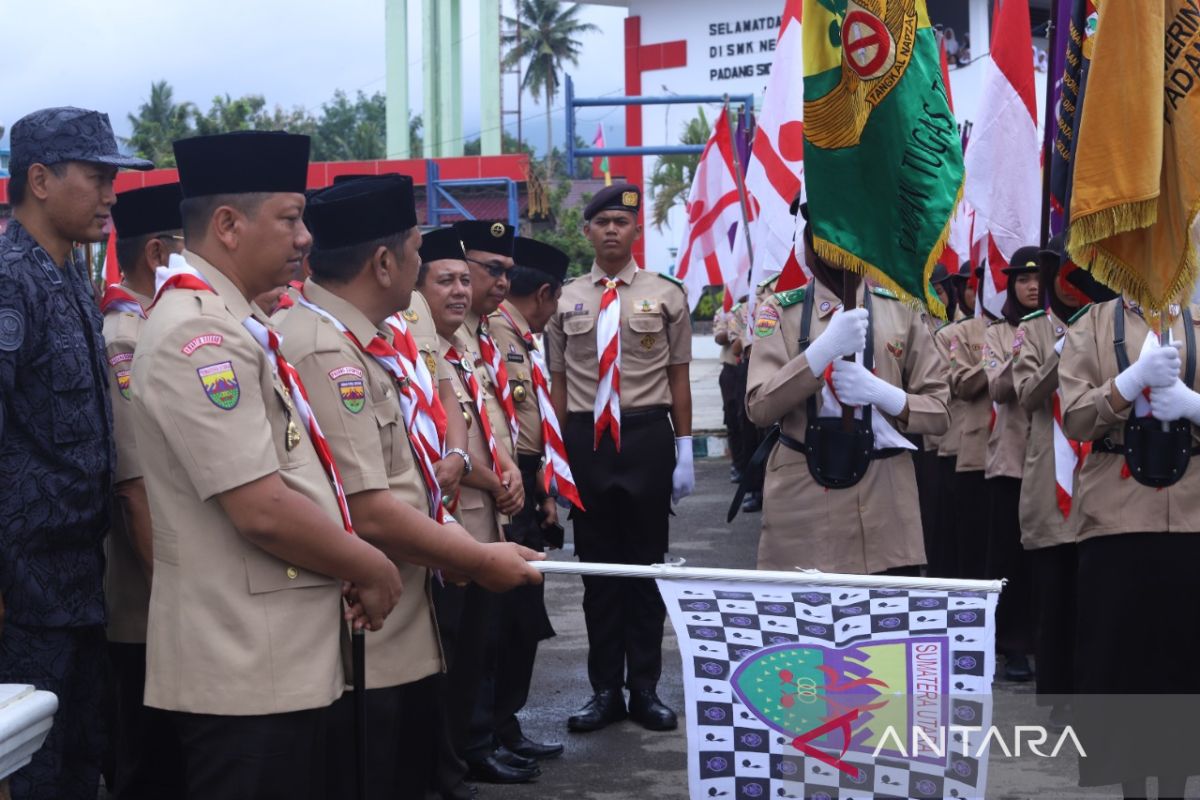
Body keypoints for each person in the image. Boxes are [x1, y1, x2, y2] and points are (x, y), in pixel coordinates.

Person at [129, 130, 403, 800]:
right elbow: (260, 509)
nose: (306, 236)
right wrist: (368, 563)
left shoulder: (234, 320)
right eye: (289, 217)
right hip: (246, 671)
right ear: (227, 224)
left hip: (276, 659)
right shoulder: (200, 335)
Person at [277, 176, 544, 799]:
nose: (426, 268)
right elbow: (369, 510)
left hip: (396, 631)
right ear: (384, 261)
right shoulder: (324, 352)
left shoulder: (361, 344)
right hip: (365, 645)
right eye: (420, 253)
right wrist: (479, 559)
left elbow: (408, 480)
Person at [0, 106, 153, 800]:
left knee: (80, 764)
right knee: (31, 772)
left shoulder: (67, 279)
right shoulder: (10, 281)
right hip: (22, 593)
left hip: (77, 585)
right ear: (39, 178)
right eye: (96, 178)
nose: (110, 195)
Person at [546, 183, 693, 733]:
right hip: (587, 440)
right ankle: (604, 689)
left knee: (646, 569)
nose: (611, 230)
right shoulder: (564, 299)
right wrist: (556, 457)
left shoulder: (668, 294)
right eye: (601, 222)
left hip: (647, 436)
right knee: (598, 572)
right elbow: (558, 382)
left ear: (637, 232)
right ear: (587, 231)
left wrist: (684, 448)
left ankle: (646, 689)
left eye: (622, 222)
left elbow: (678, 375)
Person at [746, 202, 949, 576]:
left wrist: (884, 394)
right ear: (808, 243)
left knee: (885, 629)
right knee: (807, 628)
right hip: (805, 507)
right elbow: (759, 407)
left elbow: (940, 413)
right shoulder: (781, 311)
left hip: (884, 507)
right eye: (825, 234)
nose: (839, 243)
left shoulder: (901, 308)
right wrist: (817, 356)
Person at [1060, 282, 1200, 799]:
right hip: (1116, 516)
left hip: (1190, 516)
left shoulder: (1197, 318)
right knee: (1120, 663)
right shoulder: (1091, 325)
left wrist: (1192, 405)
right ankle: (1132, 789)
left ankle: (1175, 786)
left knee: (1181, 662)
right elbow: (1074, 416)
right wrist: (1129, 382)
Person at [416, 231, 536, 791]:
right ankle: (458, 754)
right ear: (418, 287)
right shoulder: (420, 350)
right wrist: (491, 476)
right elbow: (440, 443)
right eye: (448, 280)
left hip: (487, 520)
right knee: (454, 650)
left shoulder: (464, 349)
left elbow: (490, 428)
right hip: (450, 525)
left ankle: (475, 745)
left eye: (466, 280)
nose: (461, 291)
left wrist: (509, 475)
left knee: (482, 645)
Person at [101, 182, 186, 799]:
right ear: (159, 254)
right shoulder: (126, 339)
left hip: (172, 592)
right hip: (147, 602)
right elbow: (134, 489)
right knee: (149, 766)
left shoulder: (162, 326)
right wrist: (175, 596)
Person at [486, 236, 579, 764]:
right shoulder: (499, 332)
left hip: (524, 479)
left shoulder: (516, 334)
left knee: (521, 614)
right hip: (504, 483)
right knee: (508, 618)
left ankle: (503, 725)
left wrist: (543, 486)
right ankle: (494, 729)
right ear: (545, 294)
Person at [1011, 234, 1091, 717]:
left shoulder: (1107, 324)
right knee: (1054, 596)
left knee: (1093, 597)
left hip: (1097, 477)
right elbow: (1024, 394)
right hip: (1049, 476)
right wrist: (1062, 354)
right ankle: (1057, 697)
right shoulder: (1033, 329)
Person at [981, 247, 1039, 682]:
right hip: (1012, 462)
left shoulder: (1068, 328)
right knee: (1010, 559)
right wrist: (1024, 349)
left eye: (1040, 278)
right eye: (1023, 279)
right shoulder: (997, 335)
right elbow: (998, 388)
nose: (1033, 286)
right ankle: (1012, 646)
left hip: (1060, 462)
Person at [948, 264, 995, 579]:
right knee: (975, 549)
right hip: (978, 452)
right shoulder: (963, 331)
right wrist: (992, 363)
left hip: (1022, 455)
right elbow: (962, 384)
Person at [714, 297, 744, 481]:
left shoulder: (759, 305)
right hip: (731, 370)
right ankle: (738, 464)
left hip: (751, 367)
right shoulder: (725, 311)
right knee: (732, 417)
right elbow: (718, 337)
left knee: (750, 420)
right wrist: (735, 327)